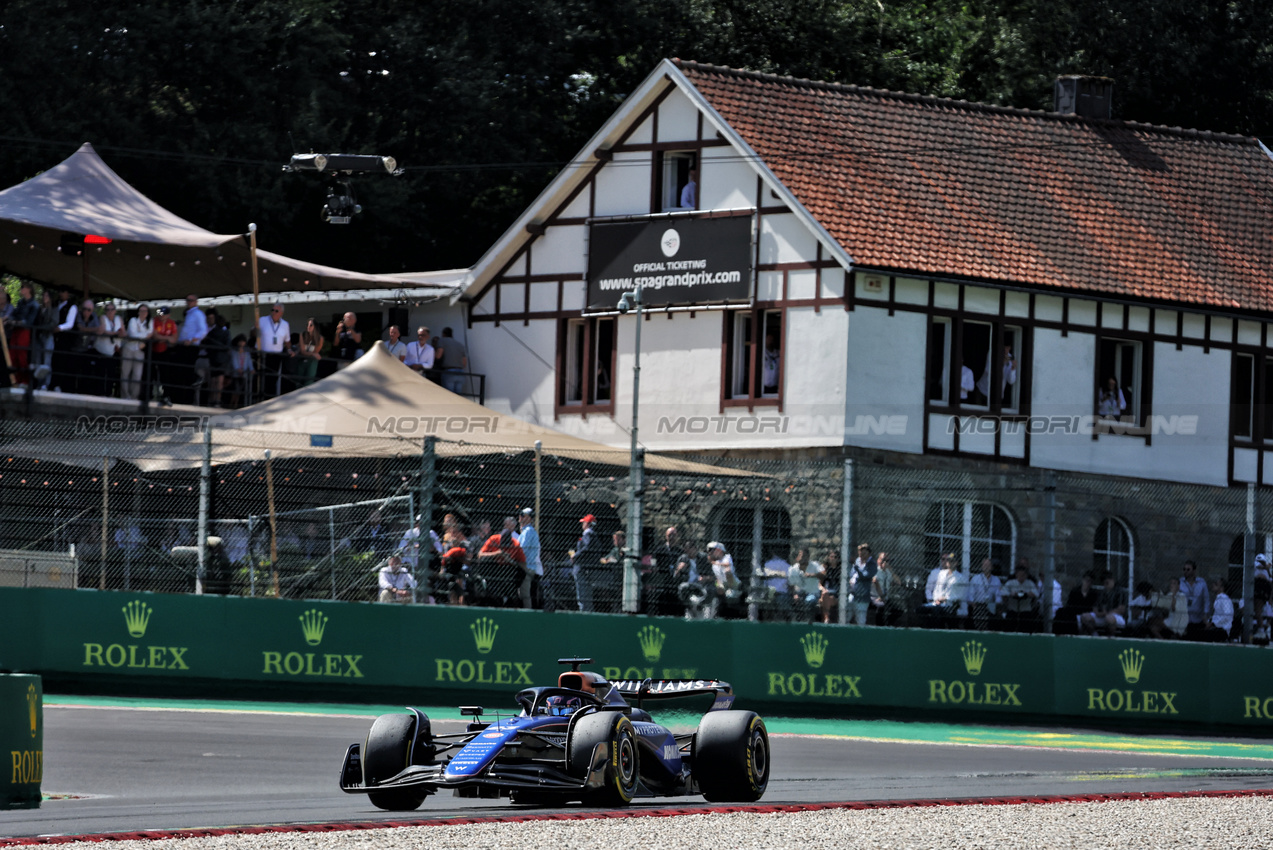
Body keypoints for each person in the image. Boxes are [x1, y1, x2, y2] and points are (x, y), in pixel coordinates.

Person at [475, 519, 526, 607]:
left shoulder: (516, 544)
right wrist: (497, 553)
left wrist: (509, 560)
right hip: (493, 569)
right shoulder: (493, 539)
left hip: (509, 571)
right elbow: (480, 555)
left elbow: (523, 564)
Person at [174, 294, 208, 403]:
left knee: (187, 372)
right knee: (182, 372)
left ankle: (188, 398)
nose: (189, 302)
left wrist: (192, 339)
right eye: (187, 300)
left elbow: (203, 330)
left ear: (196, 302)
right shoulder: (189, 314)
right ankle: (183, 398)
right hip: (184, 345)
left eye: (191, 300)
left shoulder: (198, 314)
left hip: (191, 346)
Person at [646, 526, 686, 617]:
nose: (671, 537)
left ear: (677, 536)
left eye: (674, 535)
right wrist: (654, 568)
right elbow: (653, 561)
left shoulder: (680, 551)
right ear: (666, 536)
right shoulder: (660, 549)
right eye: (669, 535)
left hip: (675, 580)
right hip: (663, 579)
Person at [120, 304, 154, 401]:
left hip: (139, 350)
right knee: (125, 373)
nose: (143, 313)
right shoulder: (133, 320)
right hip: (129, 348)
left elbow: (150, 333)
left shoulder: (150, 322)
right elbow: (133, 334)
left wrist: (142, 336)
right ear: (138, 312)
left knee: (137, 375)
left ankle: (134, 397)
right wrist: (145, 336)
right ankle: (125, 396)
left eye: (145, 311)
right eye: (141, 311)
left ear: (147, 313)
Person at [257, 304, 291, 398]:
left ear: (281, 313)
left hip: (276, 355)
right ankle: (260, 398)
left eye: (276, 311)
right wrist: (256, 329)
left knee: (273, 379)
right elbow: (253, 333)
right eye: (272, 310)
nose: (273, 312)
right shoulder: (262, 320)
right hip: (263, 355)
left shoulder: (285, 324)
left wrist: (289, 349)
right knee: (262, 378)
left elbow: (287, 340)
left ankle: (269, 398)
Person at [93, 302, 124, 396]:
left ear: (115, 311)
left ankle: (109, 394)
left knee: (111, 374)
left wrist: (120, 334)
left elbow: (123, 332)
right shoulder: (102, 318)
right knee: (101, 374)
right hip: (102, 351)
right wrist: (115, 333)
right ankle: (100, 394)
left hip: (114, 351)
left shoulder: (119, 319)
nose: (110, 312)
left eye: (112, 309)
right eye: (108, 310)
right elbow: (103, 331)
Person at [9, 282, 37, 385]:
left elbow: (29, 321)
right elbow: (14, 314)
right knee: (13, 354)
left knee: (21, 355)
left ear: (28, 289)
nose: (21, 289)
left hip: (24, 331)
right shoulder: (21, 302)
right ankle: (16, 380)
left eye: (23, 288)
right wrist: (9, 319)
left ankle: (25, 381)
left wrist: (15, 322)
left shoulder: (34, 304)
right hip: (16, 330)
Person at [999, 562, 1040, 632]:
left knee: (1027, 625)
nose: (1021, 577)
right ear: (1016, 574)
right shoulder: (1011, 583)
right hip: (1013, 610)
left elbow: (1036, 593)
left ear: (1026, 575)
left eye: (1023, 575)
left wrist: (1027, 594)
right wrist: (1012, 594)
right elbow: (1002, 592)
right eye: (1020, 575)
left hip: (1025, 610)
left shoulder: (1030, 583)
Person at [707, 541, 744, 618]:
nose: (710, 553)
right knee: (717, 588)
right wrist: (719, 587)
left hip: (735, 584)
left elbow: (727, 565)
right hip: (724, 585)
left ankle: (732, 590)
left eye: (712, 550)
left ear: (719, 550)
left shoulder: (727, 557)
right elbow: (718, 578)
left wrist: (714, 562)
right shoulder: (714, 565)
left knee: (727, 571)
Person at [515, 508, 542, 609]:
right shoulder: (526, 531)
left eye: (523, 515)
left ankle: (528, 616)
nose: (520, 517)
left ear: (529, 518)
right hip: (527, 567)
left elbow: (522, 549)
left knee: (525, 595)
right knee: (523, 594)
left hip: (526, 567)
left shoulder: (528, 532)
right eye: (521, 515)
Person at [151, 306, 179, 404]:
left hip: (165, 351)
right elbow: (155, 335)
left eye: (163, 313)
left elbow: (174, 339)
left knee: (165, 375)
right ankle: (149, 396)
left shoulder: (172, 323)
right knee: (151, 374)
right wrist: (167, 338)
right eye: (160, 313)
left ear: (168, 315)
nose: (161, 315)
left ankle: (166, 396)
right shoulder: (154, 321)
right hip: (153, 351)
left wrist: (163, 338)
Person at [203, 312, 231, 406]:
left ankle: (211, 399)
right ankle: (217, 400)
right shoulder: (226, 333)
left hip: (213, 358)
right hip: (222, 359)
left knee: (213, 379)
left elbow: (206, 345)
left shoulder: (211, 333)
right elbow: (227, 346)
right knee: (219, 380)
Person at [966, 558, 1002, 630]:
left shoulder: (996, 580)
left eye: (988, 565)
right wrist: (974, 606)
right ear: (982, 567)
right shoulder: (975, 579)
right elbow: (970, 596)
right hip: (977, 606)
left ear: (992, 567)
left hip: (990, 606)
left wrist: (996, 604)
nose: (986, 567)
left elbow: (999, 596)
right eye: (984, 565)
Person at [846, 543, 876, 626]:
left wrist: (857, 568)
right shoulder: (857, 561)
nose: (861, 554)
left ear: (869, 553)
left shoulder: (872, 564)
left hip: (862, 596)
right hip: (852, 594)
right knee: (846, 616)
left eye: (864, 552)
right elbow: (852, 574)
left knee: (861, 620)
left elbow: (865, 575)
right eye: (860, 552)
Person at [32, 289, 57, 389]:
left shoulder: (54, 309)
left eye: (47, 296)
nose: (44, 298)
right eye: (44, 295)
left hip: (48, 336)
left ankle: (46, 383)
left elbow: (53, 323)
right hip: (39, 336)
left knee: (47, 360)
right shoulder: (40, 309)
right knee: (38, 360)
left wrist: (43, 328)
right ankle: (38, 383)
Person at [597, 530, 627, 614]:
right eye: (614, 540)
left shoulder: (628, 550)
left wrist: (618, 562)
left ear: (623, 539)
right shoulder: (615, 550)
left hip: (625, 578)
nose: (615, 542)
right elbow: (603, 559)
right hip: (616, 579)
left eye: (616, 539)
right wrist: (607, 561)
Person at [1180, 559, 1209, 639]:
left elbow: (1206, 599)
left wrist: (1205, 615)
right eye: (1184, 569)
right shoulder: (1180, 582)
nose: (1185, 571)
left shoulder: (1202, 582)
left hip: (1197, 617)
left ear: (1194, 571)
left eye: (1188, 569)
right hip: (1184, 617)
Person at [435, 326, 469, 394]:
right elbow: (464, 363)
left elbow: (438, 356)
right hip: (460, 372)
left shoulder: (442, 341)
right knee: (458, 397)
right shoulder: (460, 345)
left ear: (443, 334)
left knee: (449, 396)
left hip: (449, 372)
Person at [294, 317, 324, 387]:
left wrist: (312, 354)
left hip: (311, 362)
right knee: (298, 382)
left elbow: (316, 352)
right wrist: (312, 354)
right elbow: (303, 351)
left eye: (311, 325)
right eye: (307, 325)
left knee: (309, 381)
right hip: (301, 360)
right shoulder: (302, 335)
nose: (308, 327)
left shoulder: (320, 338)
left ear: (315, 327)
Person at [227, 334, 254, 408]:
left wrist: (251, 369)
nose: (242, 343)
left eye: (243, 342)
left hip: (244, 373)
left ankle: (235, 404)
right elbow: (233, 361)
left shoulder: (246, 352)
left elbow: (249, 361)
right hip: (236, 373)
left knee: (239, 390)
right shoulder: (234, 351)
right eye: (241, 341)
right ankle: (231, 404)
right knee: (236, 389)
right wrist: (237, 368)